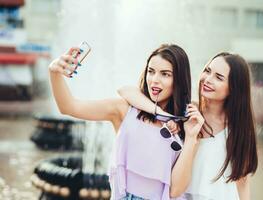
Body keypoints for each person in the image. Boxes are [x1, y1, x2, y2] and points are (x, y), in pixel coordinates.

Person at [48, 44, 192, 199]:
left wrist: (187, 132)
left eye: (165, 74)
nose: (154, 80)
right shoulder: (125, 110)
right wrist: (54, 72)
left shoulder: (186, 123)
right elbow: (69, 107)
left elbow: (177, 189)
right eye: (151, 71)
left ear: (178, 79)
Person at [118, 52, 258, 200]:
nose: (207, 79)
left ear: (234, 87)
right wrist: (161, 113)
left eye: (218, 77)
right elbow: (126, 91)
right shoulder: (185, 113)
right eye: (207, 71)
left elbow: (242, 182)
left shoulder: (239, 130)